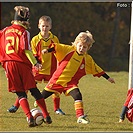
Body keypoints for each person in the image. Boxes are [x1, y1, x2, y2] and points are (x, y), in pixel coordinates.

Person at [40, 30, 115, 124]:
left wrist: (108, 78)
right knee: (41, 98)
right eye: (80, 46)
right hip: (57, 80)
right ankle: (36, 112)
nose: (81, 48)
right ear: (76, 44)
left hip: (70, 83)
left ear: (88, 48)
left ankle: (80, 117)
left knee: (77, 95)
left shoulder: (87, 59)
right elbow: (56, 47)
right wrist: (47, 50)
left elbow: (97, 69)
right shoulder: (68, 50)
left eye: (84, 47)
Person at [0, 6, 52, 127]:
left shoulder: (5, 30)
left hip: (9, 64)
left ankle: (29, 117)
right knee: (33, 90)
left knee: (20, 93)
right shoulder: (24, 32)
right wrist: (35, 63)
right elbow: (27, 50)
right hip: (22, 64)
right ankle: (46, 115)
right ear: (27, 20)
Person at [7, 15, 65, 115]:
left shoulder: (54, 39)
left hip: (51, 69)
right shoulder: (34, 39)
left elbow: (57, 51)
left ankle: (57, 109)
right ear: (39, 26)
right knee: (26, 88)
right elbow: (32, 54)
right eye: (43, 26)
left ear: (50, 26)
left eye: (47, 26)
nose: (45, 28)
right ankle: (16, 106)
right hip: (37, 69)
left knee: (55, 88)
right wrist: (37, 63)